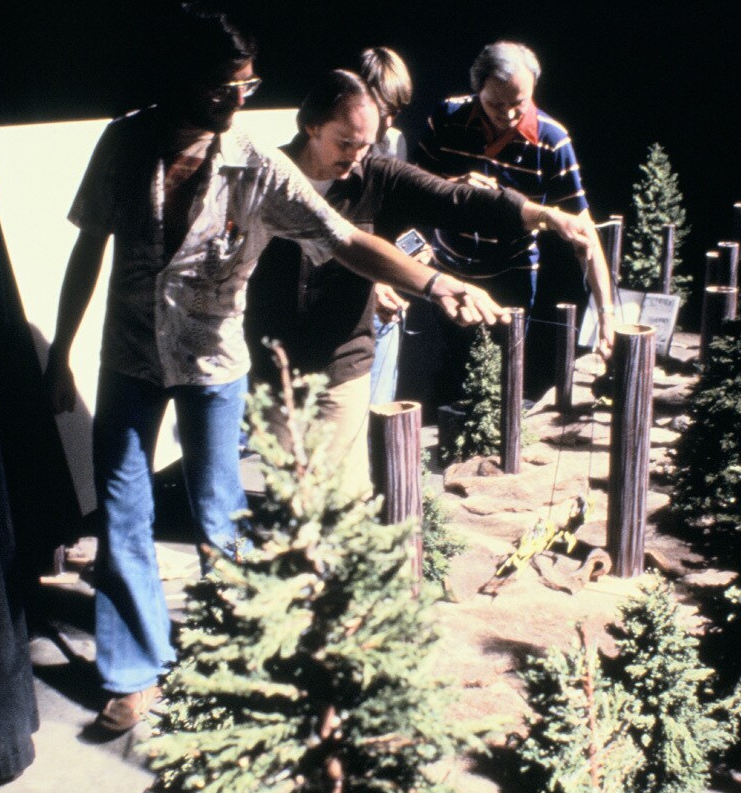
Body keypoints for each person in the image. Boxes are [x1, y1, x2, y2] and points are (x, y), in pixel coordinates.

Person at [45, 8, 506, 733]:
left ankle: (238, 652)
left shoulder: (260, 164)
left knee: (219, 515)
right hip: (129, 358)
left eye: (247, 86)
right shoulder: (126, 143)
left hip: (212, 363)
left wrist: (434, 283)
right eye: (223, 87)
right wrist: (61, 351)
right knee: (124, 513)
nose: (237, 100)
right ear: (183, 81)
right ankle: (132, 673)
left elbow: (347, 240)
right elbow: (87, 250)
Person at [244, 70, 610, 495]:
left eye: (365, 146)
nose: (355, 158)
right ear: (311, 126)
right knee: (287, 495)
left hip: (341, 364)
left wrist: (543, 215)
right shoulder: (266, 176)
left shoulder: (377, 176)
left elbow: (457, 199)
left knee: (340, 497)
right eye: (345, 143)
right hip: (270, 364)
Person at [414, 40, 615, 406]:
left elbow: (583, 235)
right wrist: (452, 189)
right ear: (478, 89)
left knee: (498, 386)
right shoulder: (447, 117)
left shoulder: (553, 142)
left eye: (518, 103)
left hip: (511, 278)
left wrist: (607, 314)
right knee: (445, 381)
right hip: (447, 272)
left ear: (533, 89)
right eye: (495, 103)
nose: (507, 114)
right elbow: (408, 187)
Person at [359, 47, 414, 405]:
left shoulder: (393, 142)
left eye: (396, 112)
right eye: (383, 111)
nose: (389, 121)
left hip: (380, 272)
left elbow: (392, 216)